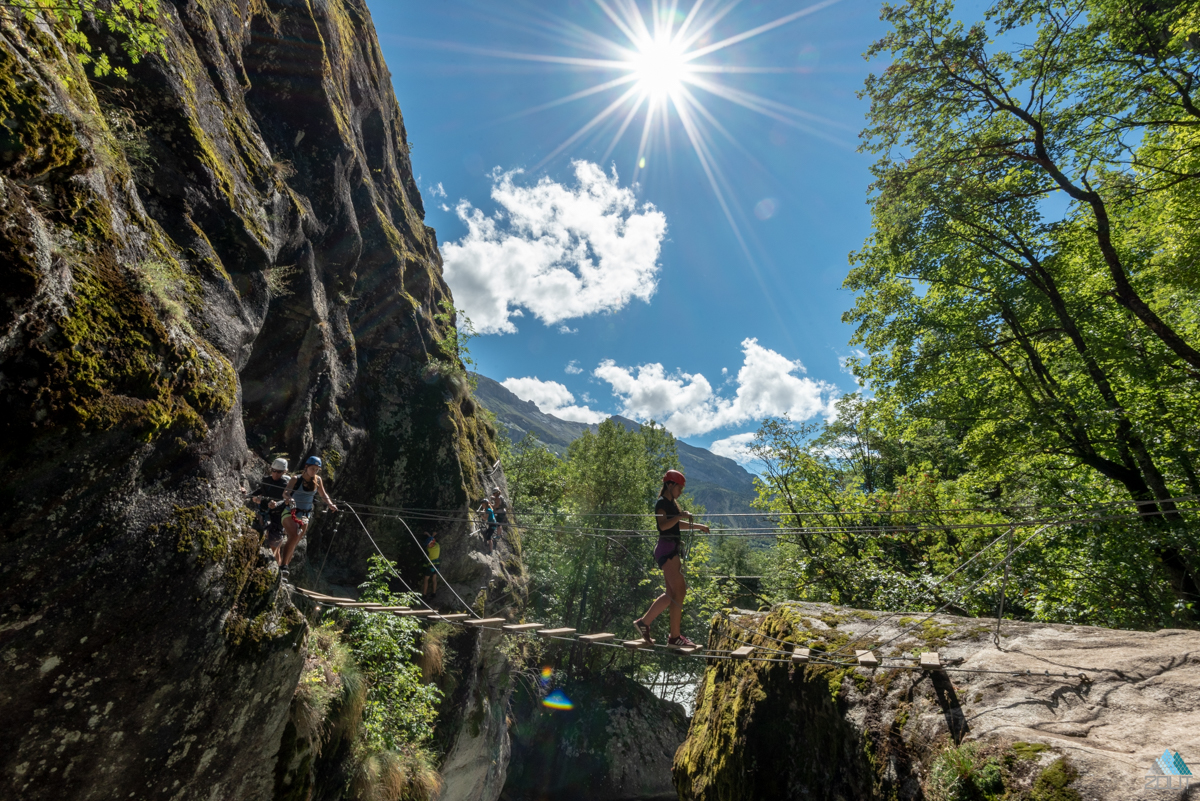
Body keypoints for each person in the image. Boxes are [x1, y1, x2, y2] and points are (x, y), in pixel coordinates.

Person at [633, 470, 708, 648]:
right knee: (680, 591)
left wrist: (697, 526)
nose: (680, 492)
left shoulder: (672, 504)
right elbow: (663, 525)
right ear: (670, 485)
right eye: (679, 488)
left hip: (669, 549)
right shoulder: (661, 504)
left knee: (671, 595)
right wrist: (680, 516)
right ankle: (674, 637)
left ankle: (644, 623)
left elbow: (675, 525)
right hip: (667, 550)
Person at [281, 456, 337, 576]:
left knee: (295, 542)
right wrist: (289, 498)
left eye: (317, 469)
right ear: (306, 467)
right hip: (290, 512)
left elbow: (323, 494)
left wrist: (330, 504)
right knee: (294, 534)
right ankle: (283, 566)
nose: (314, 472)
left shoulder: (318, 480)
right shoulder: (296, 479)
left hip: (305, 515)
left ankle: (285, 568)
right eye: (313, 468)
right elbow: (285, 493)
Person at [250, 458, 290, 563]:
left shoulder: (285, 485)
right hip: (264, 512)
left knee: (274, 545)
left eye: (279, 472)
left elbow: (286, 500)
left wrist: (276, 504)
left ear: (284, 472)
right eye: (274, 471)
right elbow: (260, 491)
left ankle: (280, 567)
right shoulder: (266, 480)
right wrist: (251, 496)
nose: (275, 474)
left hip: (277, 516)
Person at [421, 532, 440, 599]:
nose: (427, 545)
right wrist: (430, 535)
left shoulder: (429, 549)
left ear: (431, 545)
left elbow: (431, 541)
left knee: (426, 579)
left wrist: (430, 535)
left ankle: (424, 594)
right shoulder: (437, 545)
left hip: (430, 566)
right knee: (434, 579)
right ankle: (434, 593)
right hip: (437, 565)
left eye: (428, 544)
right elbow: (432, 540)